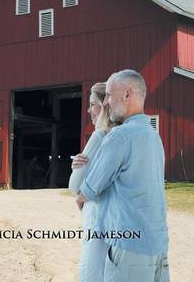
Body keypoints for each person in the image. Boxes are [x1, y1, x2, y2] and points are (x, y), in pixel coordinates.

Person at [76, 70, 170, 282]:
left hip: (130, 247)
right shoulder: (153, 136)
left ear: (127, 94)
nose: (106, 102)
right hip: (158, 245)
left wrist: (80, 198)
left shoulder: (121, 135)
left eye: (109, 95)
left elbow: (90, 188)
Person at [68, 82, 117, 281]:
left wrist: (76, 171)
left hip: (96, 215)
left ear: (105, 105)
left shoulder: (99, 136)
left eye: (93, 104)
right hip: (114, 216)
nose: (89, 110)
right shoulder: (119, 136)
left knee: (92, 270)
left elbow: (74, 186)